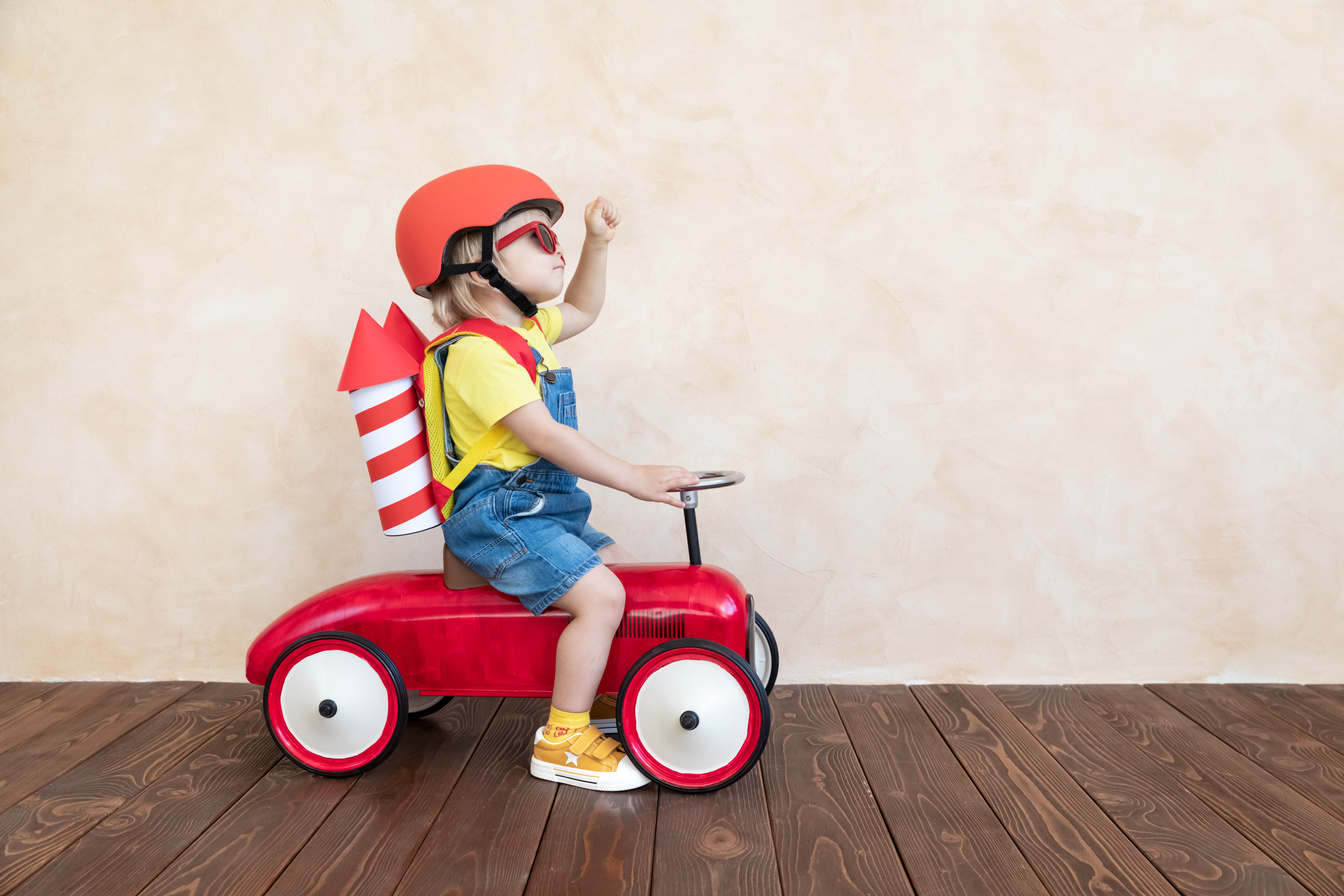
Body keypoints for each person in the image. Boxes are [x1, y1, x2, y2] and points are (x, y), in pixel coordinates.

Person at [395, 165, 698, 791]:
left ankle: (608, 696)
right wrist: (632, 477)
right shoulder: (475, 353)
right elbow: (545, 436)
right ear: (478, 267)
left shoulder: (526, 331)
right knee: (602, 596)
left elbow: (584, 306)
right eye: (540, 237)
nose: (553, 249)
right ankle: (563, 738)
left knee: (628, 579)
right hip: (498, 516)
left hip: (543, 510)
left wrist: (597, 244)